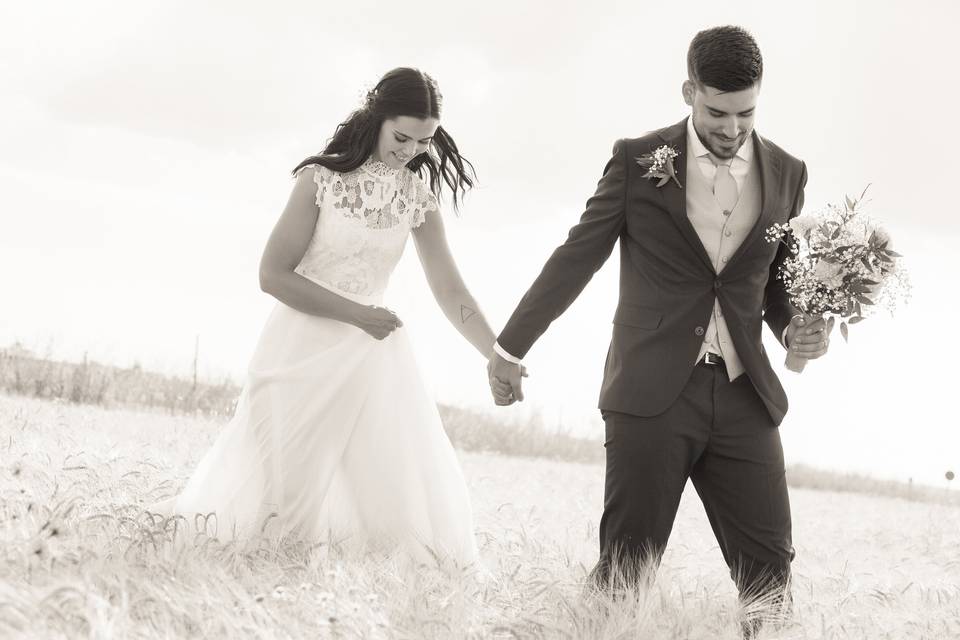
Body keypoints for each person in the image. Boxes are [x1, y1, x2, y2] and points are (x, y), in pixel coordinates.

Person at [487, 25, 833, 632]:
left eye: (746, 112)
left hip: (745, 396)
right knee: (626, 572)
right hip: (650, 396)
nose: (731, 129)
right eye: (716, 111)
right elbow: (577, 257)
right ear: (688, 91)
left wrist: (798, 332)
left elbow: (775, 283)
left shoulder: (787, 172)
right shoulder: (637, 160)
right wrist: (509, 346)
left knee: (771, 582)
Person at [153, 67, 497, 569]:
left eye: (423, 142)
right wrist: (357, 314)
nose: (410, 151)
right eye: (401, 136)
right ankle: (267, 584)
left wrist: (496, 353)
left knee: (390, 494)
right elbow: (273, 275)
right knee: (290, 492)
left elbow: (450, 289)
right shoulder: (320, 180)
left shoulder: (416, 199)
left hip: (370, 363)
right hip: (296, 352)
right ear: (376, 118)